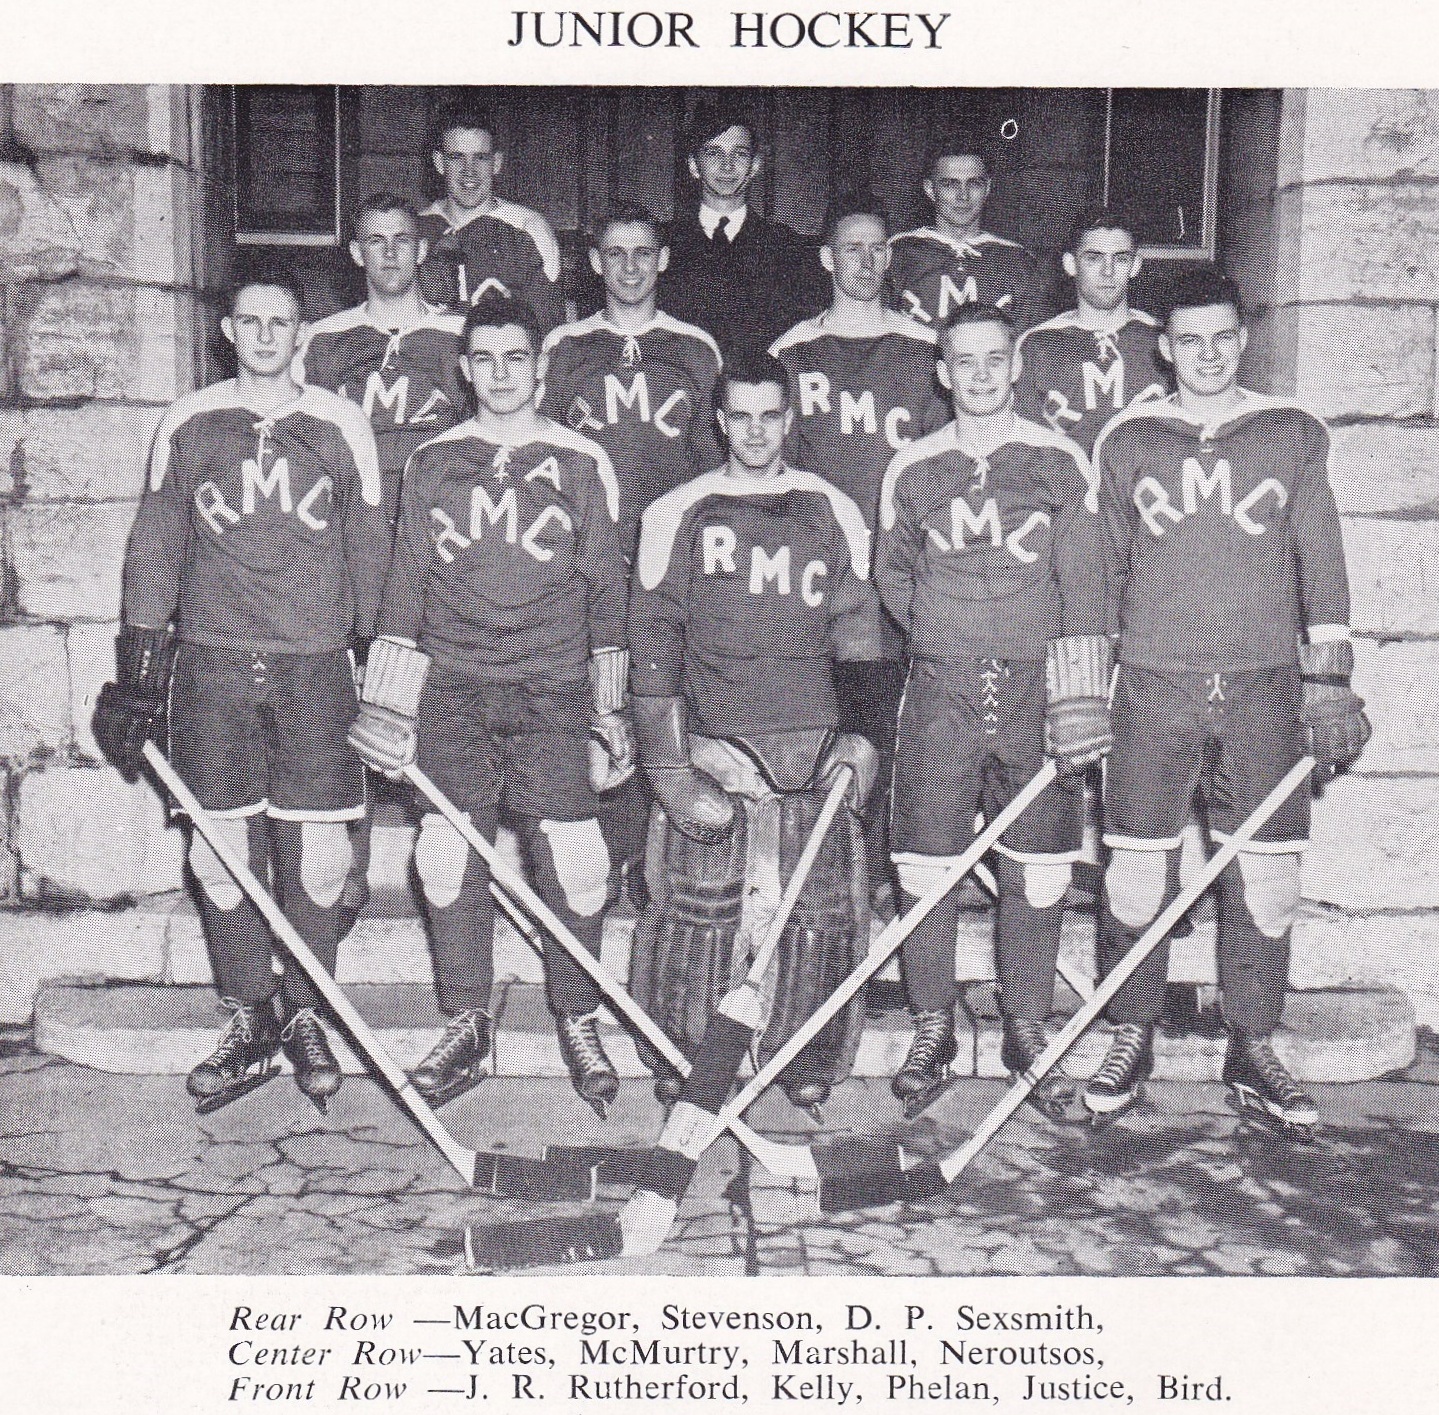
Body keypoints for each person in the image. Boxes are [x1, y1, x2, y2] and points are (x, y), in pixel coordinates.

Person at [94, 267, 389, 1114]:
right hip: (213, 663)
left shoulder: (339, 422)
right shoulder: (189, 421)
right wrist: (139, 676)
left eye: (280, 322)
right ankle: (251, 1015)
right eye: (250, 321)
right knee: (217, 853)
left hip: (314, 664)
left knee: (321, 857)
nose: (265, 336)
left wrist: (382, 670)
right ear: (228, 330)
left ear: (301, 334)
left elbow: (369, 548)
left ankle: (306, 1011)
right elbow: (155, 547)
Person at [1085, 266, 1370, 1134]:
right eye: (1188, 340)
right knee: (1136, 870)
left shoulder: (1289, 430)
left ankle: (1251, 1044)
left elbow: (1320, 556)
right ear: (1162, 348)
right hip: (1153, 681)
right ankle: (1131, 1033)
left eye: (1221, 337)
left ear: (1242, 337)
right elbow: (1102, 572)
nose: (1206, 354)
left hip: (1261, 683)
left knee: (1267, 873)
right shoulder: (1128, 436)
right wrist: (1083, 687)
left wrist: (1327, 676)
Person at [347, 292, 634, 1118]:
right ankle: (467, 1019)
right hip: (454, 685)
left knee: (576, 860)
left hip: (552, 686)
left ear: (539, 367)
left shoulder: (581, 460)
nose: (501, 374)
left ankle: (576, 1014)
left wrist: (609, 706)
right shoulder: (434, 460)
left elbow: (605, 589)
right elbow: (406, 582)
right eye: (485, 359)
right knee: (445, 852)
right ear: (464, 369)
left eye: (516, 358)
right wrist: (389, 703)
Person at [627, 351, 881, 1117]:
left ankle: (804, 1054)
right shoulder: (677, 510)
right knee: (700, 911)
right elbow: (653, 637)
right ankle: (685, 1054)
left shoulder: (828, 507)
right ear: (719, 421)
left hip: (811, 737)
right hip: (717, 737)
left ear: (789, 417)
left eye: (770, 415)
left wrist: (863, 738)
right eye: (740, 416)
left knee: (817, 916)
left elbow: (859, 634)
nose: (756, 431)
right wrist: (668, 764)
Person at [875, 303, 1110, 1121]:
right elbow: (892, 574)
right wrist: (945, 630)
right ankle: (932, 1024)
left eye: (993, 359)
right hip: (940, 685)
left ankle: (1025, 1027)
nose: (978, 374)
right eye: (963, 361)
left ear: (1015, 366)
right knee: (923, 861)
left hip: (1035, 684)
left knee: (1037, 863)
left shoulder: (1056, 459)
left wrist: (1077, 688)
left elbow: (1084, 581)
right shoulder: (912, 467)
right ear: (942, 372)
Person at [541, 201, 724, 912]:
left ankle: (660, 861)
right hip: (590, 557)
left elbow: (712, 465)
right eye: (614, 253)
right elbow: (544, 455)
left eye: (642, 252)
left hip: (669, 560)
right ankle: (604, 857)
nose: (629, 267)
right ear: (594, 263)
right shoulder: (564, 347)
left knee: (664, 698)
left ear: (663, 259)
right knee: (599, 700)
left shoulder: (694, 348)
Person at [770, 192, 949, 914]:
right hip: (823, 576)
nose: (868, 261)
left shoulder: (925, 349)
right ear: (827, 258)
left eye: (879, 248)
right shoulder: (791, 352)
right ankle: (822, 877)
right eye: (853, 248)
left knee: (895, 726)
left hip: (903, 571)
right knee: (827, 723)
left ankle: (887, 872)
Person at [296, 194, 468, 936]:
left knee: (437, 697)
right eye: (376, 240)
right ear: (356, 253)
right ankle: (349, 866)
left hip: (438, 546)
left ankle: (444, 856)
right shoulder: (324, 341)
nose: (391, 253)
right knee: (351, 701)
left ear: (422, 250)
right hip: (352, 543)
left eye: (403, 240)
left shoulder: (459, 337)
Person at [662, 101, 823, 359]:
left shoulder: (788, 248)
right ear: (693, 165)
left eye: (739, 154)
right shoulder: (662, 244)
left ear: (754, 166)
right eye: (714, 153)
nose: (727, 166)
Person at [1015, 206, 1168, 456]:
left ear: (1135, 265)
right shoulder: (1036, 344)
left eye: (1120, 258)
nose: (1108, 271)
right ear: (1070, 264)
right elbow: (1021, 443)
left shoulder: (1163, 340)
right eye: (1094, 258)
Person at [416, 103, 566, 335]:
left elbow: (547, 329)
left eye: (481, 158)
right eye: (456, 157)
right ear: (439, 162)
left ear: (496, 163)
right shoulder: (414, 230)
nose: (469, 170)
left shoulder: (529, 227)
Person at [888, 135, 1046, 334]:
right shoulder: (898, 254)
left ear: (987, 188)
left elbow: (1030, 341)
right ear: (930, 189)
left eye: (974, 183)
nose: (963, 196)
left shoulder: (1017, 261)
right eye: (949, 184)